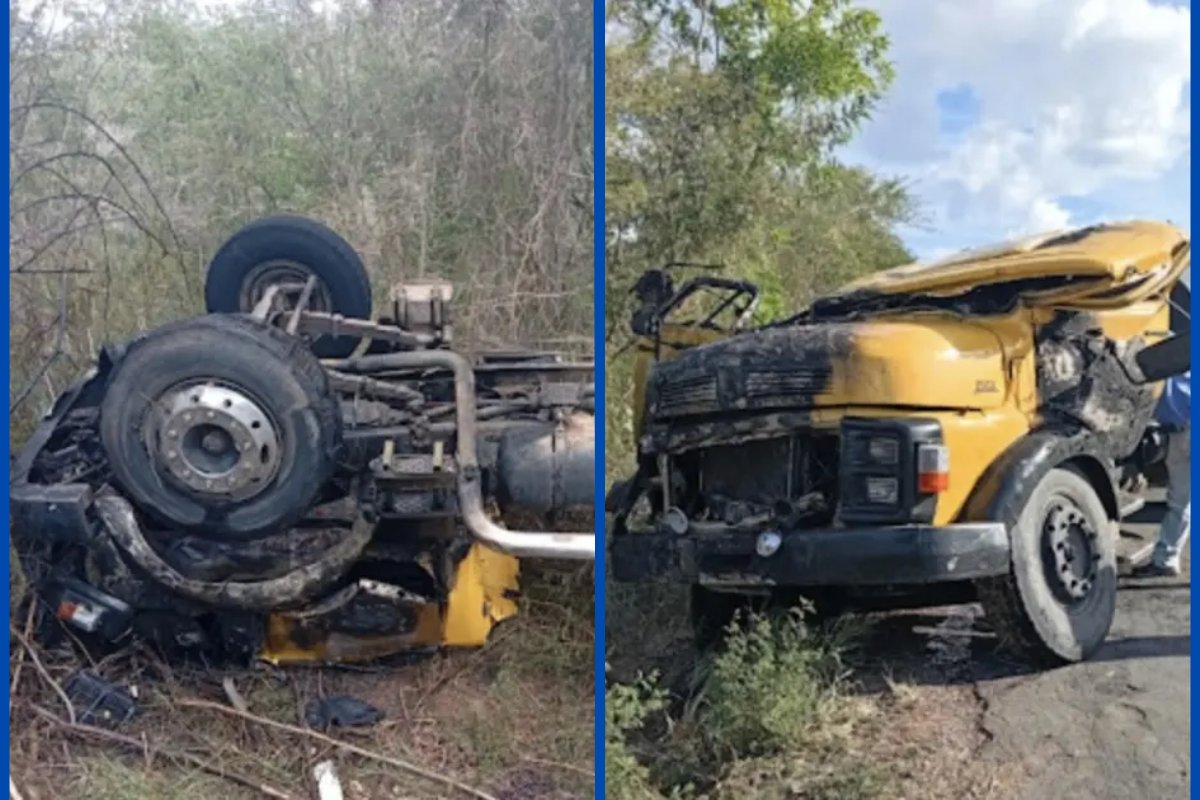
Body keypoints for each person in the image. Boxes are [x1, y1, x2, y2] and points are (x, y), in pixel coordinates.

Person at [1133, 369, 1190, 578]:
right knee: (1182, 502)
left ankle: (1166, 559)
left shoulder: (1159, 360)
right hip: (1182, 428)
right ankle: (1166, 559)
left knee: (1180, 502)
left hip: (1181, 430)